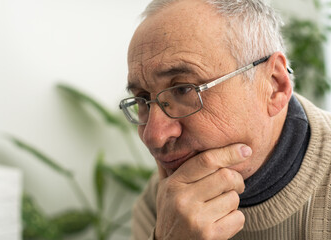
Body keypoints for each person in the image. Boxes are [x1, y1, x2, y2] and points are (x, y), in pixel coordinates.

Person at [118, 0, 331, 239]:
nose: (154, 136)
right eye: (142, 99)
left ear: (274, 86)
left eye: (184, 89)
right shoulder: (162, 203)